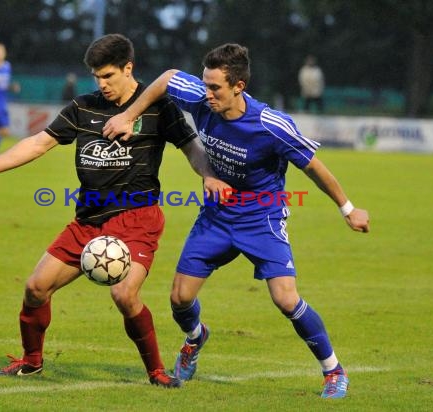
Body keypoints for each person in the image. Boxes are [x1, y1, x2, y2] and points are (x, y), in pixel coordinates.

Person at [0, 34, 227, 388]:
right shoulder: (83, 107)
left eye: (108, 76)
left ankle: (157, 372)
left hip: (137, 219)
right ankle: (32, 362)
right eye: (97, 77)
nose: (101, 84)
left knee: (124, 295)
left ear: (128, 68)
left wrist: (208, 175)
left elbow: (192, 148)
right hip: (88, 220)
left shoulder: (158, 108)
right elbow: (39, 143)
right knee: (36, 288)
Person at [103, 43, 370, 399]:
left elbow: (314, 167)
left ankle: (333, 370)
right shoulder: (201, 97)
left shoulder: (270, 125)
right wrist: (128, 115)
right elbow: (167, 78)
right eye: (205, 83)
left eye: (215, 87)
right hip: (216, 215)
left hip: (262, 217)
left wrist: (348, 209)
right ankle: (196, 338)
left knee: (286, 299)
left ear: (239, 87)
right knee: (180, 298)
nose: (207, 93)